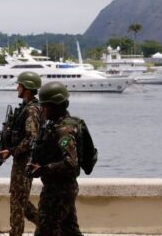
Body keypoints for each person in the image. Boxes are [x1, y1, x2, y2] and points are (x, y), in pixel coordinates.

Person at [27, 81, 93, 236]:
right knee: (70, 231)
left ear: (55, 106)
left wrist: (43, 169)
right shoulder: (57, 126)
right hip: (60, 189)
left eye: (45, 106)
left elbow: (70, 164)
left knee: (45, 232)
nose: (42, 110)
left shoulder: (64, 131)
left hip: (58, 192)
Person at [0, 71, 42, 236]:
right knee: (19, 199)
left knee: (17, 201)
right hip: (21, 160)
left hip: (26, 161)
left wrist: (12, 151)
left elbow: (32, 138)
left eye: (20, 85)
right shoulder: (27, 107)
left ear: (27, 89)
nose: (17, 88)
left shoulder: (31, 110)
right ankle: (47, 227)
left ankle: (16, 233)